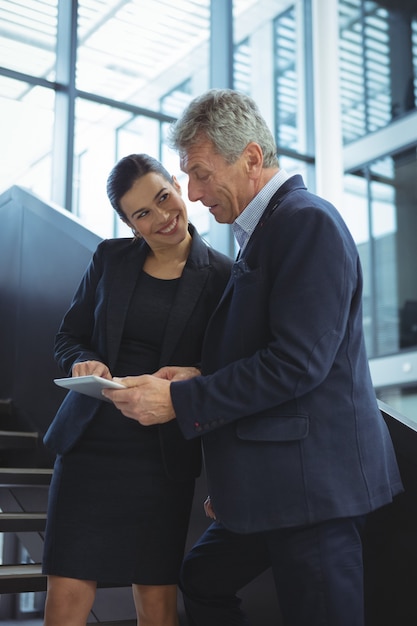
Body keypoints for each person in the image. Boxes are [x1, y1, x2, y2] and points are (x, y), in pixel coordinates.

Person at [102, 90, 403, 626]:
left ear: (251, 159)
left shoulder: (307, 222)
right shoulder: (263, 231)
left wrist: (180, 397)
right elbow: (268, 350)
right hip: (276, 483)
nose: (190, 195)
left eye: (198, 174)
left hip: (312, 491)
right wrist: (199, 375)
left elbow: (296, 363)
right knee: (203, 578)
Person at [41, 152, 233, 626]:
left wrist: (194, 374)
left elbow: (227, 370)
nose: (162, 218)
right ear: (129, 223)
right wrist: (82, 360)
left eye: (163, 198)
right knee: (66, 593)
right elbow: (68, 336)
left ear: (175, 183)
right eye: (142, 213)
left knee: (156, 598)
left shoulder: (223, 275)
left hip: (162, 455)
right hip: (89, 445)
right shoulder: (111, 257)